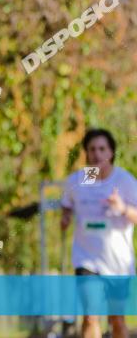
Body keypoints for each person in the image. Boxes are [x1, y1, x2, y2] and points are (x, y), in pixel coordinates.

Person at [61, 128, 137, 338]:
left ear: (111, 152)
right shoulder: (77, 181)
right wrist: (66, 217)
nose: (97, 154)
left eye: (102, 149)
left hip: (118, 262)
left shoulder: (125, 181)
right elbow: (67, 204)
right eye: (92, 149)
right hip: (87, 258)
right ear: (86, 153)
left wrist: (122, 208)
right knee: (90, 315)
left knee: (117, 320)